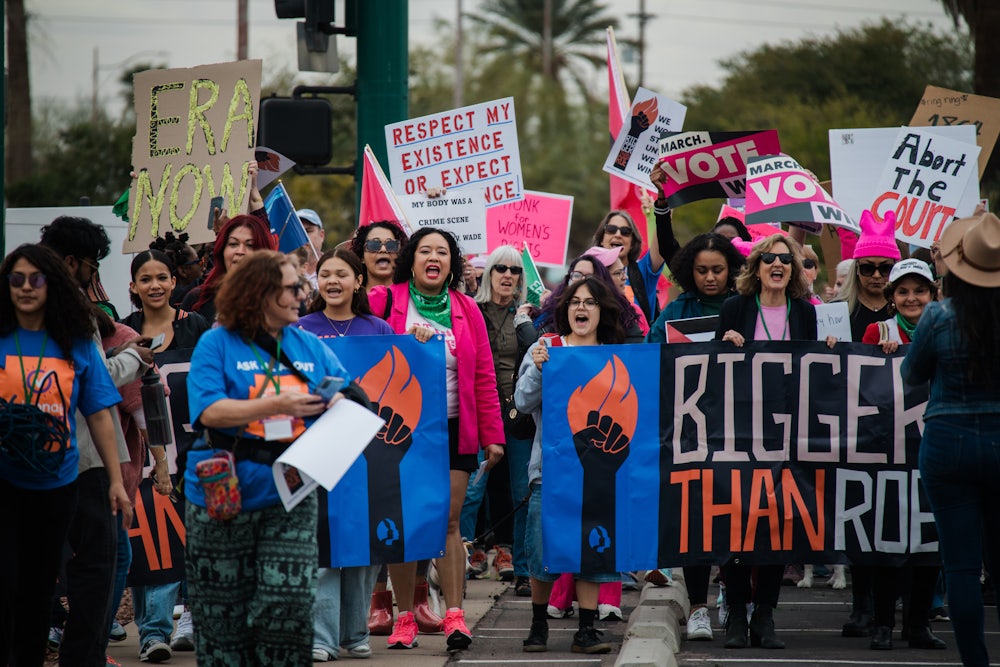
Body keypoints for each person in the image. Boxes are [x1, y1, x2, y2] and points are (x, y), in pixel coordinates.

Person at [183, 250, 369, 665]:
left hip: (291, 494)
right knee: (222, 622)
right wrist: (273, 405)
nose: (302, 294)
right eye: (291, 287)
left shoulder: (306, 344)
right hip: (223, 498)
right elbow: (209, 411)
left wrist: (340, 399)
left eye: (301, 286)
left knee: (287, 608)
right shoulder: (217, 343)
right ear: (260, 292)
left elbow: (354, 395)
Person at [368, 227, 505, 652]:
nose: (433, 257)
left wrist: (492, 436)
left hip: (452, 428)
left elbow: (483, 376)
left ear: (451, 262)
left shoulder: (467, 309)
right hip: (400, 430)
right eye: (424, 250)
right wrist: (404, 343)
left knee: (448, 521)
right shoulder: (385, 301)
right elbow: (362, 349)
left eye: (441, 252)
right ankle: (404, 616)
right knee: (406, 523)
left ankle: (455, 617)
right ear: (411, 259)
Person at [0, 244, 126, 667]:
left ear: (52, 285)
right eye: (16, 278)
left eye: (37, 278)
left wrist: (114, 480)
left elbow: (100, 415)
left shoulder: (74, 341)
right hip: (4, 482)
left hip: (57, 487)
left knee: (36, 591)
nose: (26, 287)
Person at [40, 217, 151, 667]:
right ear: (71, 263)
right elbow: (94, 385)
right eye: (91, 266)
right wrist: (132, 358)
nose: (94, 277)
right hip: (79, 463)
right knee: (100, 567)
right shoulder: (74, 314)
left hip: (43, 463)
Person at [902, 211, 1000, 667]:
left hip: (948, 442)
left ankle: (976, 663)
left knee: (959, 565)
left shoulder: (939, 316)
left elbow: (911, 375)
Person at [716, 233, 818, 650]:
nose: (778, 264)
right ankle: (737, 614)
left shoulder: (805, 313)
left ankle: (766, 615)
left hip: (787, 433)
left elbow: (816, 365)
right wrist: (724, 344)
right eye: (769, 258)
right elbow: (711, 366)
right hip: (739, 432)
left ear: (793, 271)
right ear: (756, 267)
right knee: (738, 522)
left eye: (786, 259)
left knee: (780, 523)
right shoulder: (734, 308)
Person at [516, 276, 625, 655]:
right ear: (565, 310)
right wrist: (539, 368)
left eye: (591, 302)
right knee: (543, 550)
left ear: (602, 311)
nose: (582, 308)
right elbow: (523, 401)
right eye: (575, 302)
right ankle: (538, 624)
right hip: (550, 471)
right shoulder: (547, 348)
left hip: (599, 473)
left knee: (593, 551)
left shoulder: (614, 356)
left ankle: (587, 629)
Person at [296, 248, 393, 661]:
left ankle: (354, 633)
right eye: (325, 274)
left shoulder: (380, 328)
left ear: (359, 281)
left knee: (362, 547)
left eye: (341, 273)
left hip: (368, 453)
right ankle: (321, 637)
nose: (332, 280)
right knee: (321, 545)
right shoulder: (299, 330)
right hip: (314, 451)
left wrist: (420, 343)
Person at [461, 245, 539, 596]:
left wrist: (526, 321)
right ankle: (456, 568)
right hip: (480, 412)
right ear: (488, 273)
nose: (508, 275)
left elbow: (540, 354)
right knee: (470, 492)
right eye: (500, 269)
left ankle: (524, 570)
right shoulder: (469, 310)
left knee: (524, 491)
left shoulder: (529, 316)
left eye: (515, 270)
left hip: (519, 414)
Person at [647, 232, 745, 345]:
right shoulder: (676, 310)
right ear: (690, 270)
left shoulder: (746, 306)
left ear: (730, 269)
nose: (710, 278)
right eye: (702, 271)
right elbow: (648, 351)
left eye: (717, 270)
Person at [182, 214, 277, 321]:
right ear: (222, 250)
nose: (240, 251)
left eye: (250, 245)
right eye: (233, 244)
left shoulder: (282, 300)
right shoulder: (198, 299)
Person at [535, 254, 644, 343]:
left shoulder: (615, 339)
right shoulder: (547, 344)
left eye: (590, 302)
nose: (582, 280)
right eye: (575, 302)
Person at [121, 249, 211, 352]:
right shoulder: (124, 329)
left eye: (162, 278)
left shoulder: (195, 324)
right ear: (134, 287)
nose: (155, 286)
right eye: (145, 280)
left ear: (173, 282)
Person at [834, 210, 901, 341]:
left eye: (885, 268)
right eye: (868, 268)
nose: (876, 275)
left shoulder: (907, 309)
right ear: (857, 269)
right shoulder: (836, 311)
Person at [591, 209, 665, 327]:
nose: (618, 234)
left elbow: (663, 242)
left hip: (638, 344)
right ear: (601, 240)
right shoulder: (589, 272)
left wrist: (663, 208)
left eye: (625, 232)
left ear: (632, 243)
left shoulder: (643, 271)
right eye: (611, 229)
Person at [350, 221, 408, 293]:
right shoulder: (350, 300)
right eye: (374, 245)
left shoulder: (413, 298)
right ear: (362, 256)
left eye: (391, 245)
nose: (383, 250)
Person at [154, 232, 204, 308]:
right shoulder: (197, 296)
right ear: (183, 271)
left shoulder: (156, 301)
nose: (203, 267)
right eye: (199, 262)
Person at [296, 209, 326, 289]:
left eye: (308, 231)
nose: (303, 237)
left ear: (322, 235)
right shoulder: (283, 271)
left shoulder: (334, 266)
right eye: (298, 231)